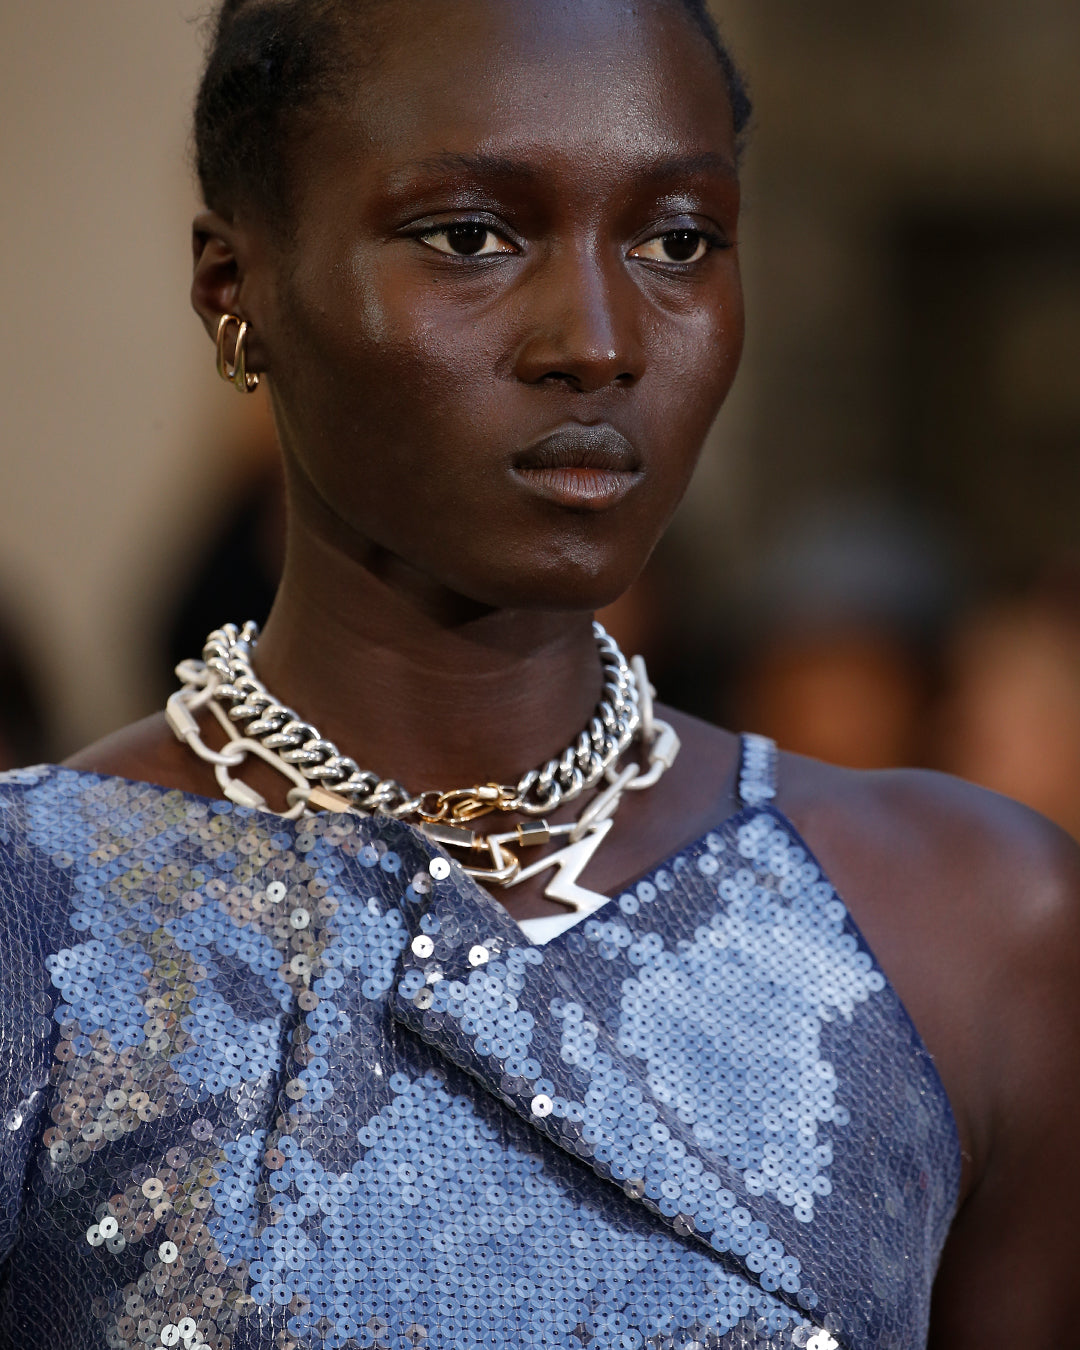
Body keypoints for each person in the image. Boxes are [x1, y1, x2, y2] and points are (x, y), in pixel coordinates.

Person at [1, 2, 1077, 1347]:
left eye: (676, 240)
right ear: (237, 289)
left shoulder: (974, 923)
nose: (599, 338)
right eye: (472, 236)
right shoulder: (42, 922)